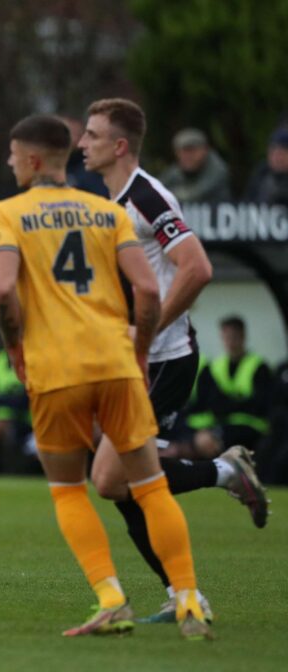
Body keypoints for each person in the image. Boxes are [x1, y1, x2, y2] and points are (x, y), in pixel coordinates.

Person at [0, 113, 211, 639]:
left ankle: (111, 597)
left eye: (13, 155)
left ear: (33, 160)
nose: (9, 162)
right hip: (117, 364)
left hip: (56, 369)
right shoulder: (107, 213)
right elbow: (150, 292)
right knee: (151, 486)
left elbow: (3, 293)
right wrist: (137, 351)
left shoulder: (8, 212)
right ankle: (188, 600)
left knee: (70, 491)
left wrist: (16, 350)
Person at [79, 99, 268, 623]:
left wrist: (146, 333)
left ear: (119, 146)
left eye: (92, 135)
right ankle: (184, 594)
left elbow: (197, 267)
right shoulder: (112, 198)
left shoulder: (145, 195)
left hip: (164, 361)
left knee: (111, 480)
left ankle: (224, 473)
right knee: (120, 486)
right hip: (136, 361)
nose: (82, 143)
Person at [190, 316, 274, 460]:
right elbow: (208, 403)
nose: (230, 342)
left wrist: (225, 404)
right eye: (227, 337)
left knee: (217, 438)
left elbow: (261, 405)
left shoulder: (259, 367)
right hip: (221, 424)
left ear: (243, 337)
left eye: (234, 337)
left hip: (250, 427)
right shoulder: (214, 367)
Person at [158, 128, 232, 205]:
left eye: (192, 150)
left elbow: (195, 195)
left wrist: (169, 194)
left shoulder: (217, 169)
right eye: (183, 151)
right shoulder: (177, 169)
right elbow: (157, 189)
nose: (187, 156)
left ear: (205, 150)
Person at [243, 127, 288, 206]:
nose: (277, 158)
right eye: (273, 152)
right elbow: (247, 202)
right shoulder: (261, 173)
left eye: (282, 153)